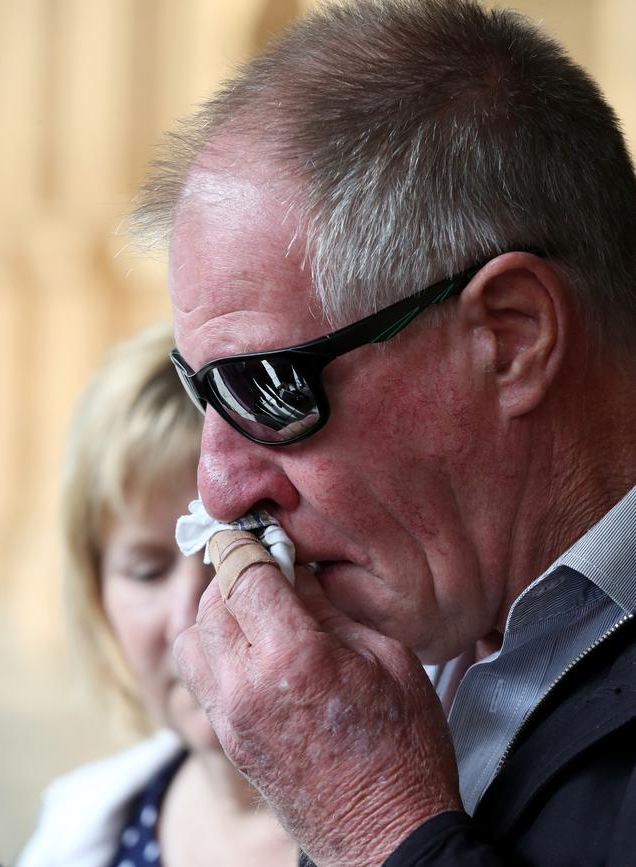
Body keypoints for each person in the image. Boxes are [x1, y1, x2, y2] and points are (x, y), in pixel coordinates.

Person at [131, 1, 636, 864]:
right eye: (201, 391)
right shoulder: (416, 619)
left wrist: (374, 822)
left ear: (511, 337)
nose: (217, 487)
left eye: (271, 385)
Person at [17, 323, 297, 867]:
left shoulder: (446, 825)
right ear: (97, 596)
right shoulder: (72, 837)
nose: (190, 619)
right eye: (146, 571)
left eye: (236, 547)